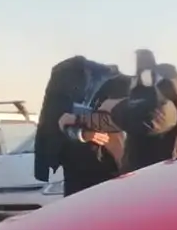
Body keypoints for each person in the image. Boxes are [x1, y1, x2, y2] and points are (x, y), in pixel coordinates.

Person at [59, 50, 177, 172]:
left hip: (154, 174)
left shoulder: (158, 87)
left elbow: (149, 119)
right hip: (170, 168)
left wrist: (82, 118)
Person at [35, 56, 129, 197]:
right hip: (84, 165)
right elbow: (58, 122)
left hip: (104, 164)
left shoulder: (117, 88)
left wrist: (78, 123)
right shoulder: (67, 93)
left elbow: (118, 120)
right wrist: (83, 133)